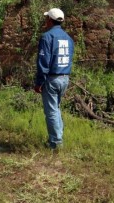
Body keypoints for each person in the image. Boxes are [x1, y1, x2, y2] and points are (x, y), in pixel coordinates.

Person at [34, 8, 74, 150]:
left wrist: (39, 82)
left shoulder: (47, 37)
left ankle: (56, 143)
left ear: (50, 20)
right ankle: (58, 138)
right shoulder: (68, 38)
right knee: (56, 109)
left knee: (51, 111)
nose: (45, 21)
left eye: (46, 19)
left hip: (51, 78)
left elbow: (44, 61)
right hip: (65, 78)